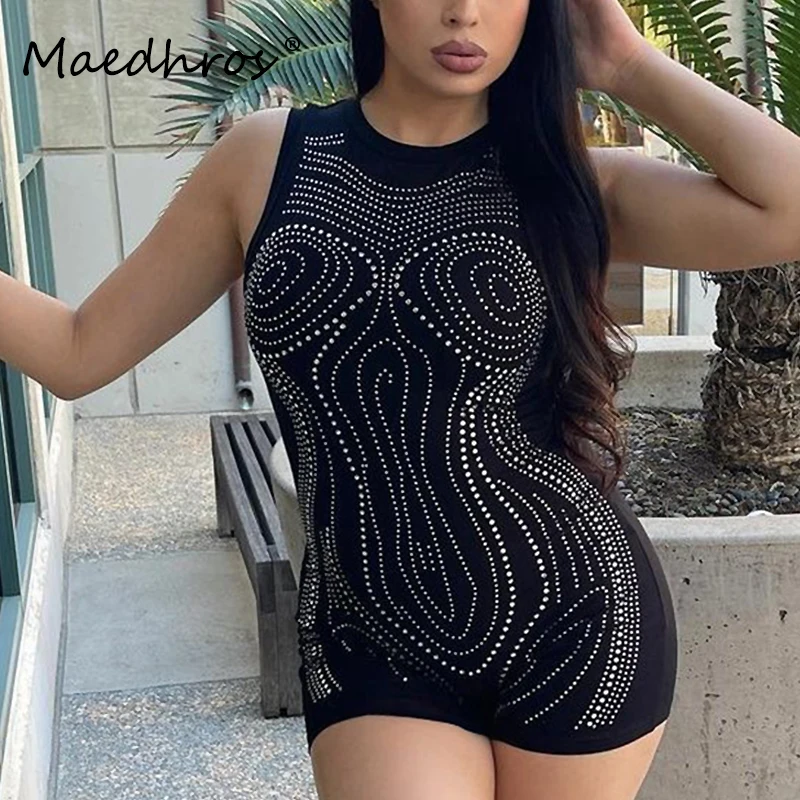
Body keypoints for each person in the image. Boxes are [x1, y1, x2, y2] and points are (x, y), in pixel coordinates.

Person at [3, 0, 800, 797]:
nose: (464, 13)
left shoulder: (572, 180)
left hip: (576, 619)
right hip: (371, 639)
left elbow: (788, 206)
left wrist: (628, 65)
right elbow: (78, 352)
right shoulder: (265, 161)